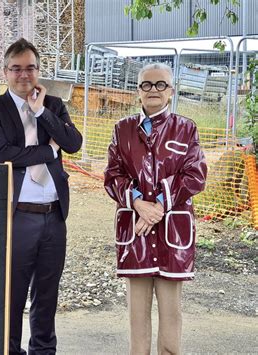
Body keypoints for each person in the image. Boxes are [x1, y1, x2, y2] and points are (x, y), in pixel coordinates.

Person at [0, 38, 82, 355]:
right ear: (5, 71)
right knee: (13, 292)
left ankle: (43, 350)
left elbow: (73, 142)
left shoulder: (53, 104)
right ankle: (9, 350)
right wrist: (50, 151)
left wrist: (41, 113)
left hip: (53, 215)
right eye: (16, 68)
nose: (24, 75)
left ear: (39, 70)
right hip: (17, 215)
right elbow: (2, 154)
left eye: (30, 68)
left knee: (47, 292)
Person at [104, 63, 207, 354]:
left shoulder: (186, 129)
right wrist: (137, 202)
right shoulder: (122, 129)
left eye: (160, 84)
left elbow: (195, 175)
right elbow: (113, 175)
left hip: (172, 235)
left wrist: (158, 206)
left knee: (171, 314)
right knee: (137, 317)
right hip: (135, 234)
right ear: (138, 91)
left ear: (171, 91)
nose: (153, 90)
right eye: (147, 85)